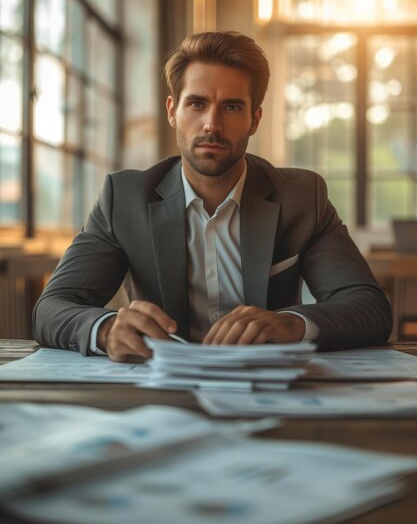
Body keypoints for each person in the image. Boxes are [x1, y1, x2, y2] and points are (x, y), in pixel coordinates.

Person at [33, 31, 392, 362]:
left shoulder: (302, 197)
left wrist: (291, 325)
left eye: (232, 107)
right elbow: (54, 307)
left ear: (255, 119)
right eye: (197, 104)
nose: (212, 125)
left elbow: (368, 308)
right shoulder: (124, 198)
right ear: (173, 111)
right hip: (161, 387)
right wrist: (107, 329)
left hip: (268, 385)